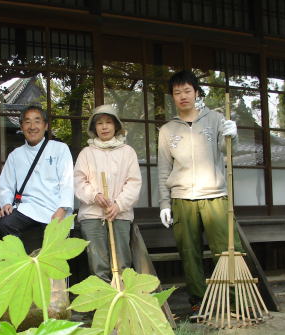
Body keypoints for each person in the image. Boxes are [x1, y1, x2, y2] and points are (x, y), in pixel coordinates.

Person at [157, 69, 241, 311]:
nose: (182, 96)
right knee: (189, 251)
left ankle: (232, 299)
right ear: (172, 97)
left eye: (187, 91)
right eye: (177, 92)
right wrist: (164, 203)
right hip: (181, 197)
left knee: (226, 248)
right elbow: (164, 169)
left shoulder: (214, 119)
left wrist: (232, 136)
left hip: (214, 194)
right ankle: (199, 301)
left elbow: (228, 153)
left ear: (196, 92)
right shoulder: (167, 130)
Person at [74, 104, 142, 282]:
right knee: (98, 264)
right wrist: (94, 195)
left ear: (116, 126)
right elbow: (79, 181)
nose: (104, 127)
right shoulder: (86, 153)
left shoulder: (128, 152)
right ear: (94, 128)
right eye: (99, 123)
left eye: (108, 122)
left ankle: (122, 300)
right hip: (92, 215)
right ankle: (104, 305)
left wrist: (118, 205)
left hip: (120, 214)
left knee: (122, 263)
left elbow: (134, 182)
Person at [0, 104, 73, 240]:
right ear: (21, 127)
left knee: (57, 246)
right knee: (4, 224)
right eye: (27, 122)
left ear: (46, 126)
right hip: (27, 208)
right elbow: (5, 185)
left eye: (37, 121)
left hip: (54, 207)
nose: (32, 127)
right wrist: (6, 203)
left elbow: (67, 183)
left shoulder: (60, 148)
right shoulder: (15, 155)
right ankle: (22, 259)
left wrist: (62, 209)